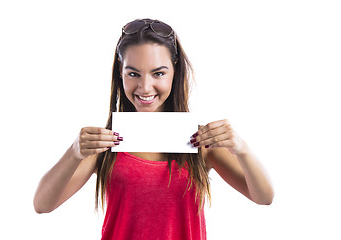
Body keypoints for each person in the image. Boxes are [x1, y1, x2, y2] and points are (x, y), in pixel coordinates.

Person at [33, 18, 274, 240]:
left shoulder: (200, 140)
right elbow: (42, 204)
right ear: (121, 73)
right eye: (133, 74)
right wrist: (75, 151)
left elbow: (264, 197)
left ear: (175, 72)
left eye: (158, 73)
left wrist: (240, 148)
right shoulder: (105, 143)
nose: (145, 87)